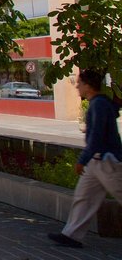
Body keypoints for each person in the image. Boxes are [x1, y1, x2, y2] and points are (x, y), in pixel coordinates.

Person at [48, 70, 122, 248]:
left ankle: (71, 235)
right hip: (97, 162)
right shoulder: (99, 103)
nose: (77, 86)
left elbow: (96, 137)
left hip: (107, 161)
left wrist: (82, 159)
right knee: (84, 197)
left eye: (79, 83)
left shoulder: (98, 105)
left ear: (88, 86)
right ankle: (71, 235)